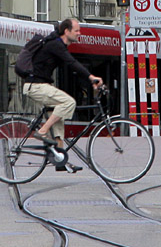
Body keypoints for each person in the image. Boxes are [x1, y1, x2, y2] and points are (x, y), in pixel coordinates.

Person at [20, 18, 103, 173]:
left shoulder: (57, 44)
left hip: (41, 85)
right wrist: (91, 77)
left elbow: (73, 67)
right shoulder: (56, 45)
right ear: (67, 31)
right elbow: (72, 62)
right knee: (68, 102)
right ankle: (43, 131)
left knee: (58, 119)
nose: (80, 33)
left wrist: (87, 80)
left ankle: (60, 160)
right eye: (77, 30)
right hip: (35, 86)